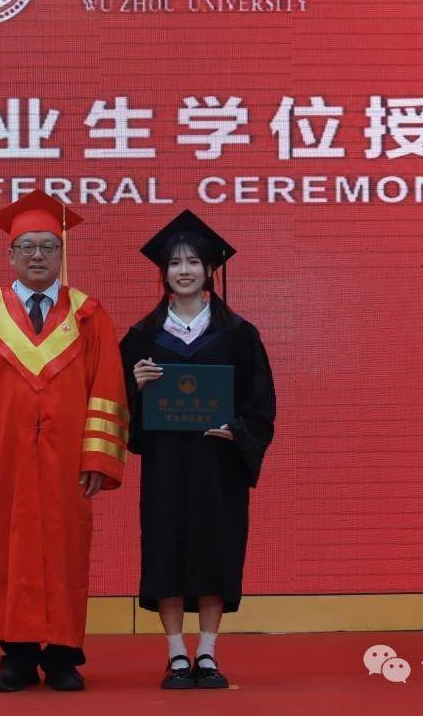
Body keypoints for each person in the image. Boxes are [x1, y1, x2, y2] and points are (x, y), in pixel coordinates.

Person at [0, 190, 129, 693]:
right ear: (10, 255)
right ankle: (17, 658)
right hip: (5, 458)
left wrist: (98, 457)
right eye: (27, 247)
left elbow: (107, 388)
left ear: (61, 254)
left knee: (67, 552)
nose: (38, 255)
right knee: (9, 551)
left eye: (49, 246)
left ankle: (63, 657)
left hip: (68, 460)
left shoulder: (88, 314)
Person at [119, 210, 276, 690]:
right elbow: (118, 404)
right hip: (166, 464)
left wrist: (239, 430)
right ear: (163, 272)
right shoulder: (142, 336)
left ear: (210, 270)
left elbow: (260, 402)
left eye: (193, 262)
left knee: (215, 549)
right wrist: (135, 385)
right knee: (165, 549)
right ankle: (175, 655)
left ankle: (207, 652)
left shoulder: (239, 334)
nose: (183, 270)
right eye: (174, 263)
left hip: (217, 464)